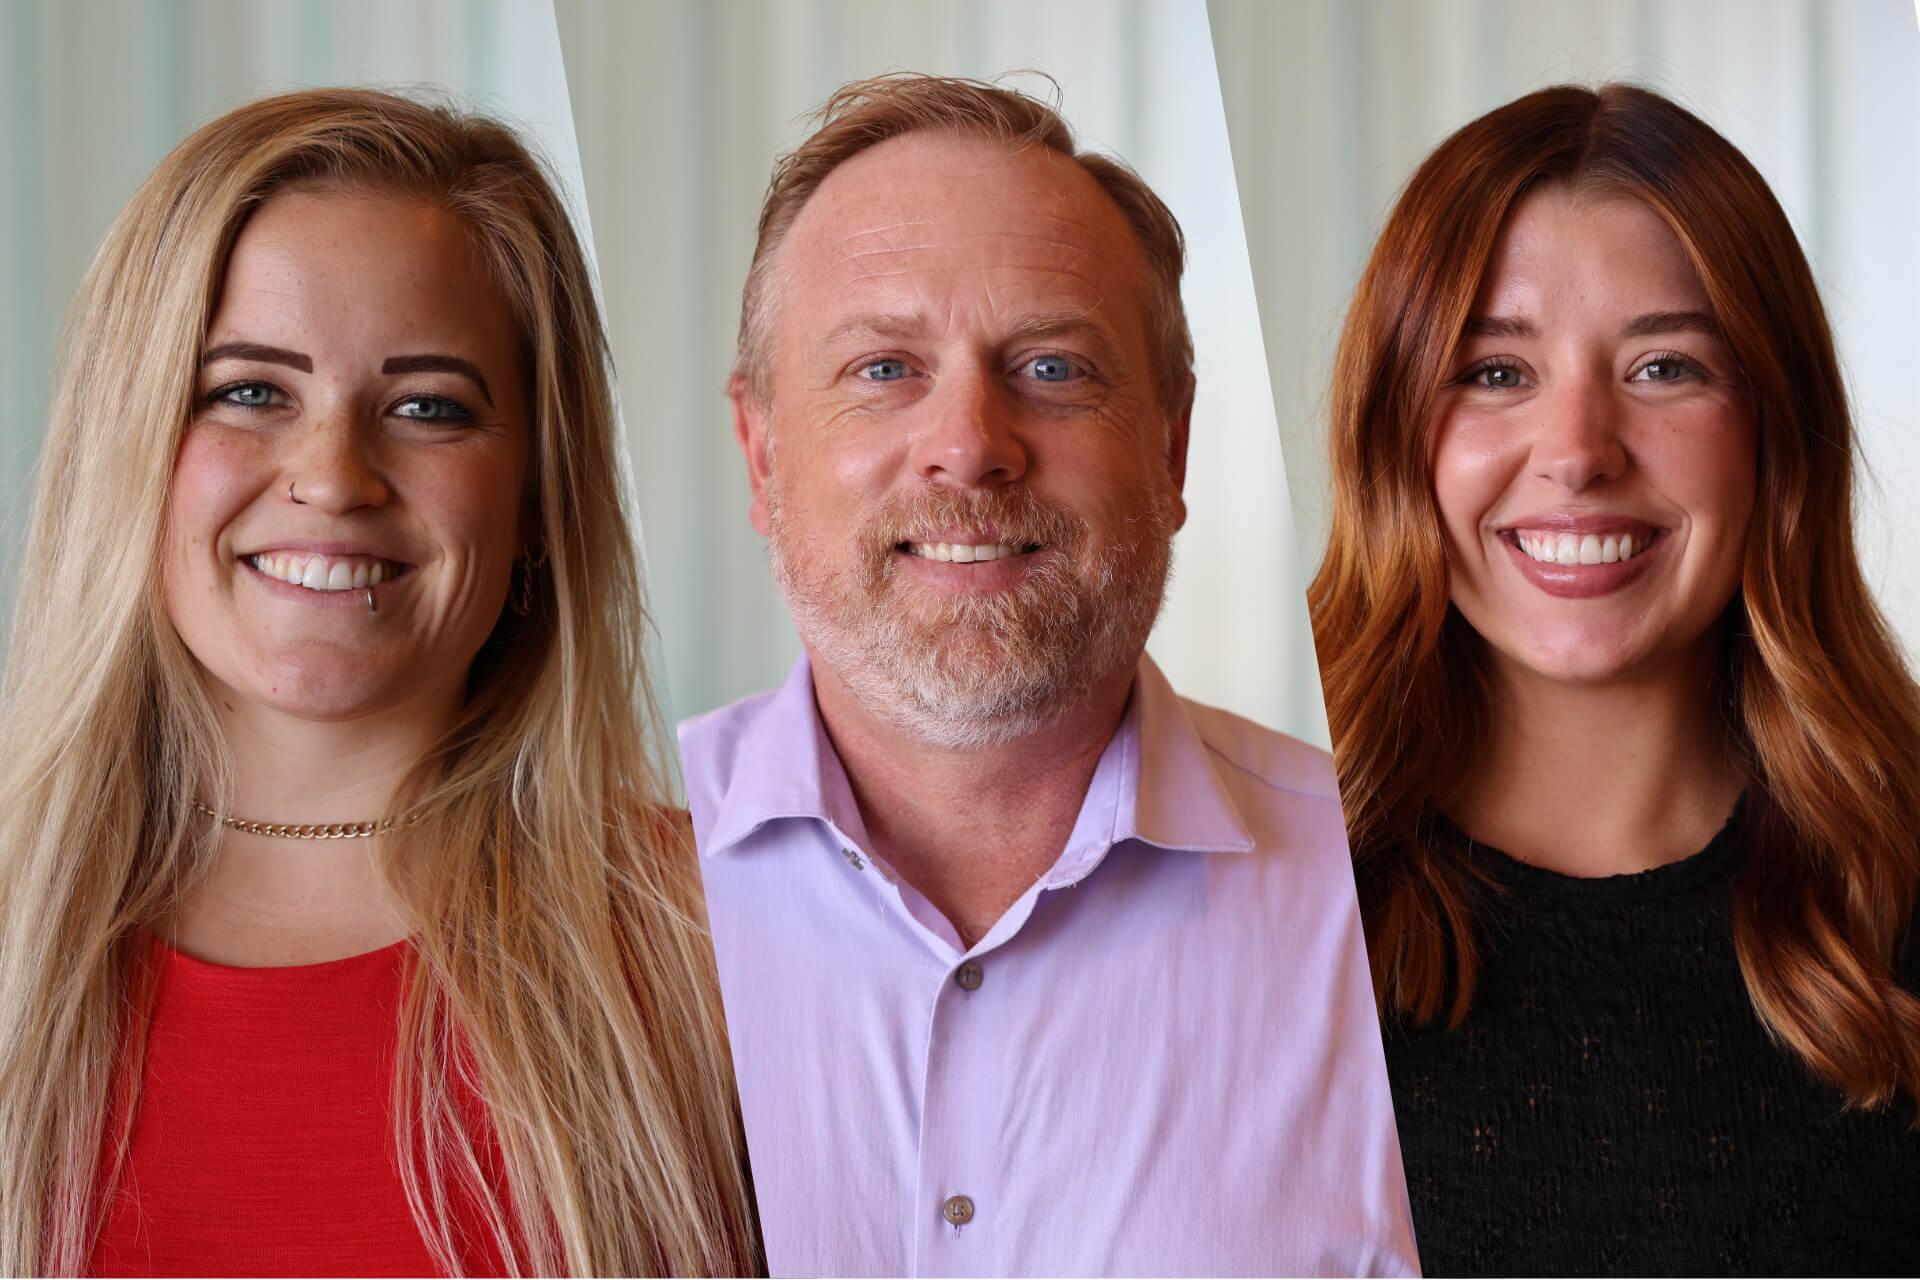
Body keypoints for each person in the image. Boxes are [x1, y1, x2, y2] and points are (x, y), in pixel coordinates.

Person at [0, 89, 756, 1276]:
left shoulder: (729, 945)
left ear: (538, 504)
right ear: (126, 447)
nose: (334, 475)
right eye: (249, 389)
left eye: (427, 407)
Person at [680, 73, 1416, 1277]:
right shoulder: (595, 892)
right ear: (762, 451)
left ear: (1171, 449)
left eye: (1054, 368)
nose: (970, 444)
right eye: (882, 369)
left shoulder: (1393, 885)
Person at [1311, 82, 1920, 1274]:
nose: (1580, 450)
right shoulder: (1246, 887)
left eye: (1664, 366)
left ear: (1774, 436)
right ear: (1396, 435)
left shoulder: (1902, 874)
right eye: (1494, 372)